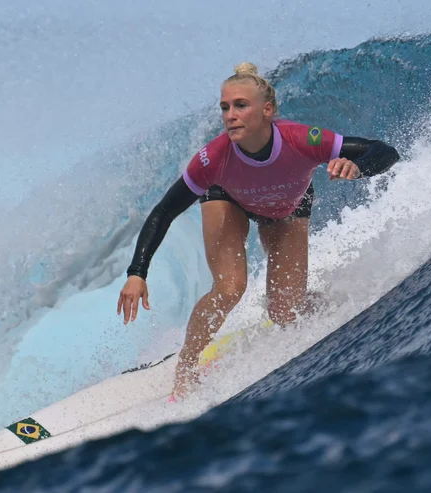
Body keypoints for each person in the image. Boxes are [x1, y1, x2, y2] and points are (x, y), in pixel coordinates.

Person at [117, 62, 400, 398]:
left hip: (286, 205)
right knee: (230, 288)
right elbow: (165, 210)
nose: (230, 115)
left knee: (284, 313)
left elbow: (384, 152)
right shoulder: (213, 159)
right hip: (228, 197)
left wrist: (358, 166)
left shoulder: (302, 139)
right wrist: (137, 272)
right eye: (225, 107)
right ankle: (186, 369)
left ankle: (331, 306)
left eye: (240, 105)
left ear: (267, 110)